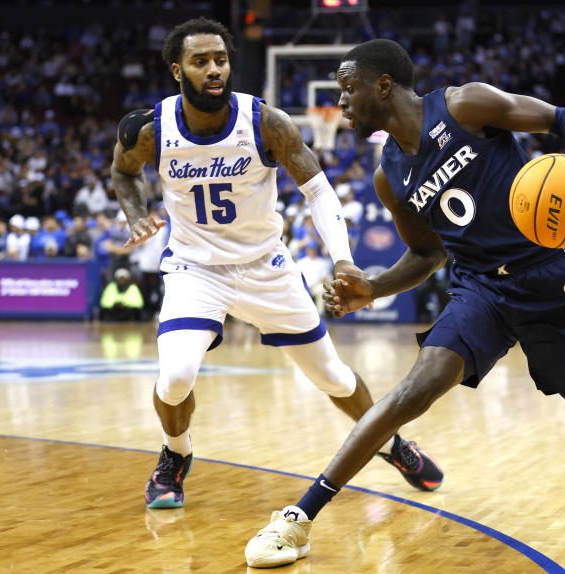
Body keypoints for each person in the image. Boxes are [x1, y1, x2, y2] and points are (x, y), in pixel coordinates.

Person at [245, 39, 565, 568]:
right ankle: (298, 519)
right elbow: (427, 252)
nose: (340, 102)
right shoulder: (388, 176)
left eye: (348, 89)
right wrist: (375, 287)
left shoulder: (464, 106)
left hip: (549, 281)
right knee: (413, 390)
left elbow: (562, 118)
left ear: (383, 85)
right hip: (481, 290)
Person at [109, 20, 441, 511]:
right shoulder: (149, 128)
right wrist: (136, 214)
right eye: (201, 62)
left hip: (267, 267)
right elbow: (122, 170)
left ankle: (392, 445)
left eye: (220, 58)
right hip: (195, 271)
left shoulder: (264, 121)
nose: (214, 69)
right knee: (175, 377)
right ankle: (175, 454)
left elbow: (318, 189)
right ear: (178, 71)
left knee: (332, 378)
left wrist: (343, 259)